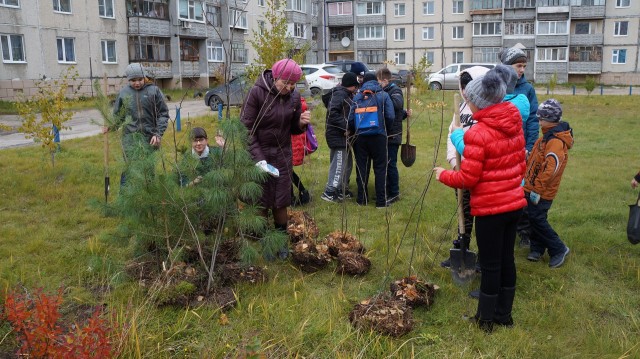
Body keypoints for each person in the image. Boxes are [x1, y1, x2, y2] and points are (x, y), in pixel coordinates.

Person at [434, 69, 527, 333]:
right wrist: (459, 137)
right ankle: (503, 315)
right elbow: (518, 163)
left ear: (478, 102)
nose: (467, 101)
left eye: (469, 98)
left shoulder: (479, 133)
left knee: (490, 265)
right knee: (507, 260)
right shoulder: (513, 123)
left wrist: (444, 175)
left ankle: (485, 320)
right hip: (514, 205)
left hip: (491, 210)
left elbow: (468, 178)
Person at [240, 58, 311, 242]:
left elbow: (292, 128)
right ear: (275, 77)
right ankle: (263, 239)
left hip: (282, 154)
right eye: (285, 83)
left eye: (293, 84)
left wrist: (300, 123)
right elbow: (245, 129)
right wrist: (259, 158)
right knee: (261, 201)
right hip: (258, 153)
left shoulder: (294, 97)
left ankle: (279, 238)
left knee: (281, 200)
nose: (289, 88)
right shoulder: (257, 93)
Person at [440, 66, 490, 269]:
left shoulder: (485, 109)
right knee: (464, 209)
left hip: (482, 173)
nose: (465, 92)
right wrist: (454, 162)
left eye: (468, 88)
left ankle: (485, 254)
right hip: (462, 170)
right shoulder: (460, 109)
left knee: (484, 217)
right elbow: (452, 136)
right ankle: (463, 246)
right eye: (462, 88)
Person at [524, 99, 573, 268]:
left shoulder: (555, 141)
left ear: (549, 120)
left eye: (540, 119)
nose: (538, 122)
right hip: (533, 188)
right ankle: (537, 249)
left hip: (542, 192)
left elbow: (551, 168)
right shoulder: (545, 138)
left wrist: (537, 189)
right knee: (535, 218)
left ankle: (558, 248)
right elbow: (535, 160)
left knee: (537, 219)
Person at [500, 46, 539, 248]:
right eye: (518, 65)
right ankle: (506, 226)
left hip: (520, 147)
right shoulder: (497, 85)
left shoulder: (527, 89)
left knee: (521, 189)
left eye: (524, 65)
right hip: (499, 147)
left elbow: (533, 119)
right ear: (507, 66)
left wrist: (530, 146)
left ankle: (524, 231)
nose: (522, 69)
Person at [109, 63, 169, 187]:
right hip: (129, 139)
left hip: (150, 138)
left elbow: (163, 114)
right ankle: (125, 198)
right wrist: (111, 126)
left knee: (148, 168)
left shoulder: (154, 91)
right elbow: (119, 117)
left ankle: (149, 196)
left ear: (144, 77)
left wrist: (158, 134)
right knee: (128, 169)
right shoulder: (124, 93)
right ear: (128, 80)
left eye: (140, 79)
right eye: (133, 80)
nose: (137, 83)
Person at [348, 72, 395, 208]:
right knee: (380, 168)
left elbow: (351, 119)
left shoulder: (357, 97)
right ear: (376, 81)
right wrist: (386, 129)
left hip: (361, 138)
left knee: (362, 168)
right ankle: (381, 202)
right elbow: (390, 116)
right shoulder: (383, 95)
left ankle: (361, 200)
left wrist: (356, 129)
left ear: (363, 83)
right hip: (379, 136)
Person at [321, 72, 359, 203]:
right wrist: (346, 127)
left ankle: (342, 189)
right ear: (352, 85)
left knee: (347, 164)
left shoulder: (346, 95)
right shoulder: (340, 94)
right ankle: (330, 192)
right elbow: (333, 113)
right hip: (338, 136)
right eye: (355, 86)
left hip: (343, 136)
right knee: (338, 164)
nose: (356, 89)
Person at [376, 68, 404, 204]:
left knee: (391, 164)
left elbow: (398, 105)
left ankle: (394, 192)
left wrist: (383, 101)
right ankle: (386, 190)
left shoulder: (395, 91)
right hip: (386, 133)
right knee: (385, 164)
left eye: (378, 81)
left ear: (385, 80)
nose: (377, 84)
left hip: (393, 134)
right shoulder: (385, 91)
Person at [291, 97, 311, 206]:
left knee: (286, 170)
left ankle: (294, 196)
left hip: (292, 139)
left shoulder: (292, 102)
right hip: (297, 138)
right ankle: (302, 192)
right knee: (288, 170)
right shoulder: (300, 101)